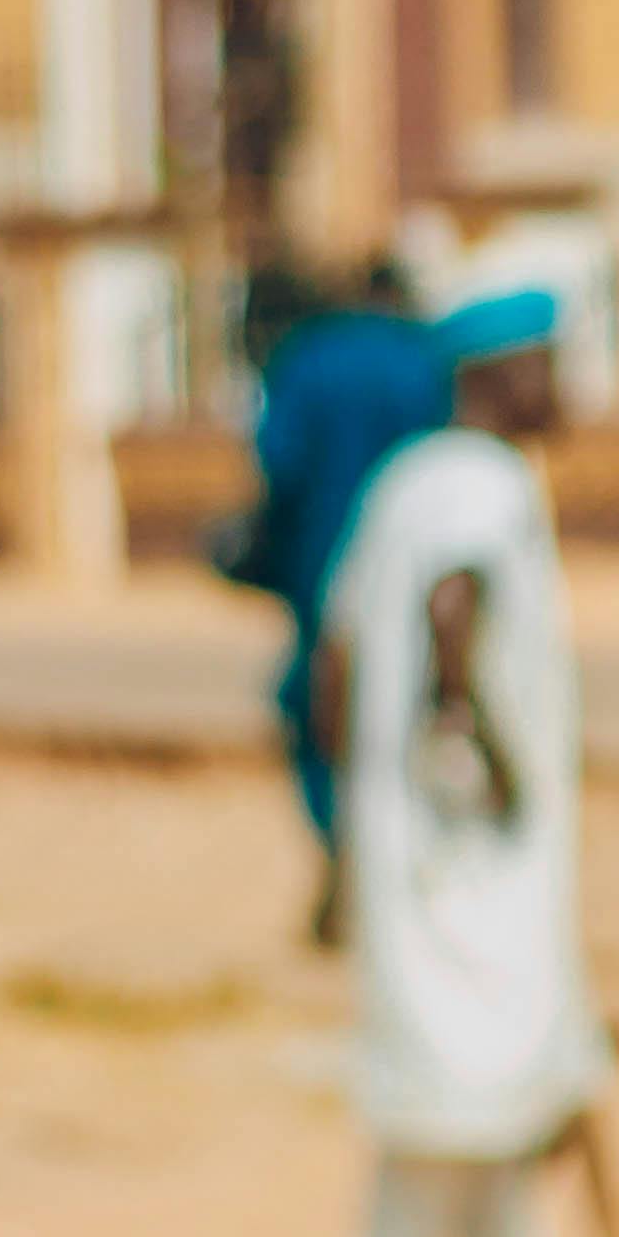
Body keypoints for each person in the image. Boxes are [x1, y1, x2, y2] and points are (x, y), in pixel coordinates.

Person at [311, 281, 607, 1237]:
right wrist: (476, 741)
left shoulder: (402, 481)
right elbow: (450, 609)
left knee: (500, 1081)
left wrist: (347, 828)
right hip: (469, 844)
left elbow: (333, 663)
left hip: (410, 840)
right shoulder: (483, 483)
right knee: (456, 1080)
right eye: (547, 364)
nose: (562, 388)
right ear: (495, 375)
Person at [221, 261, 448, 931]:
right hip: (419, 572)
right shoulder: (427, 357)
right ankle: (398, 863)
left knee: (320, 714)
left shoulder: (307, 360)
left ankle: (345, 849)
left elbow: (279, 465)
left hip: (323, 566)